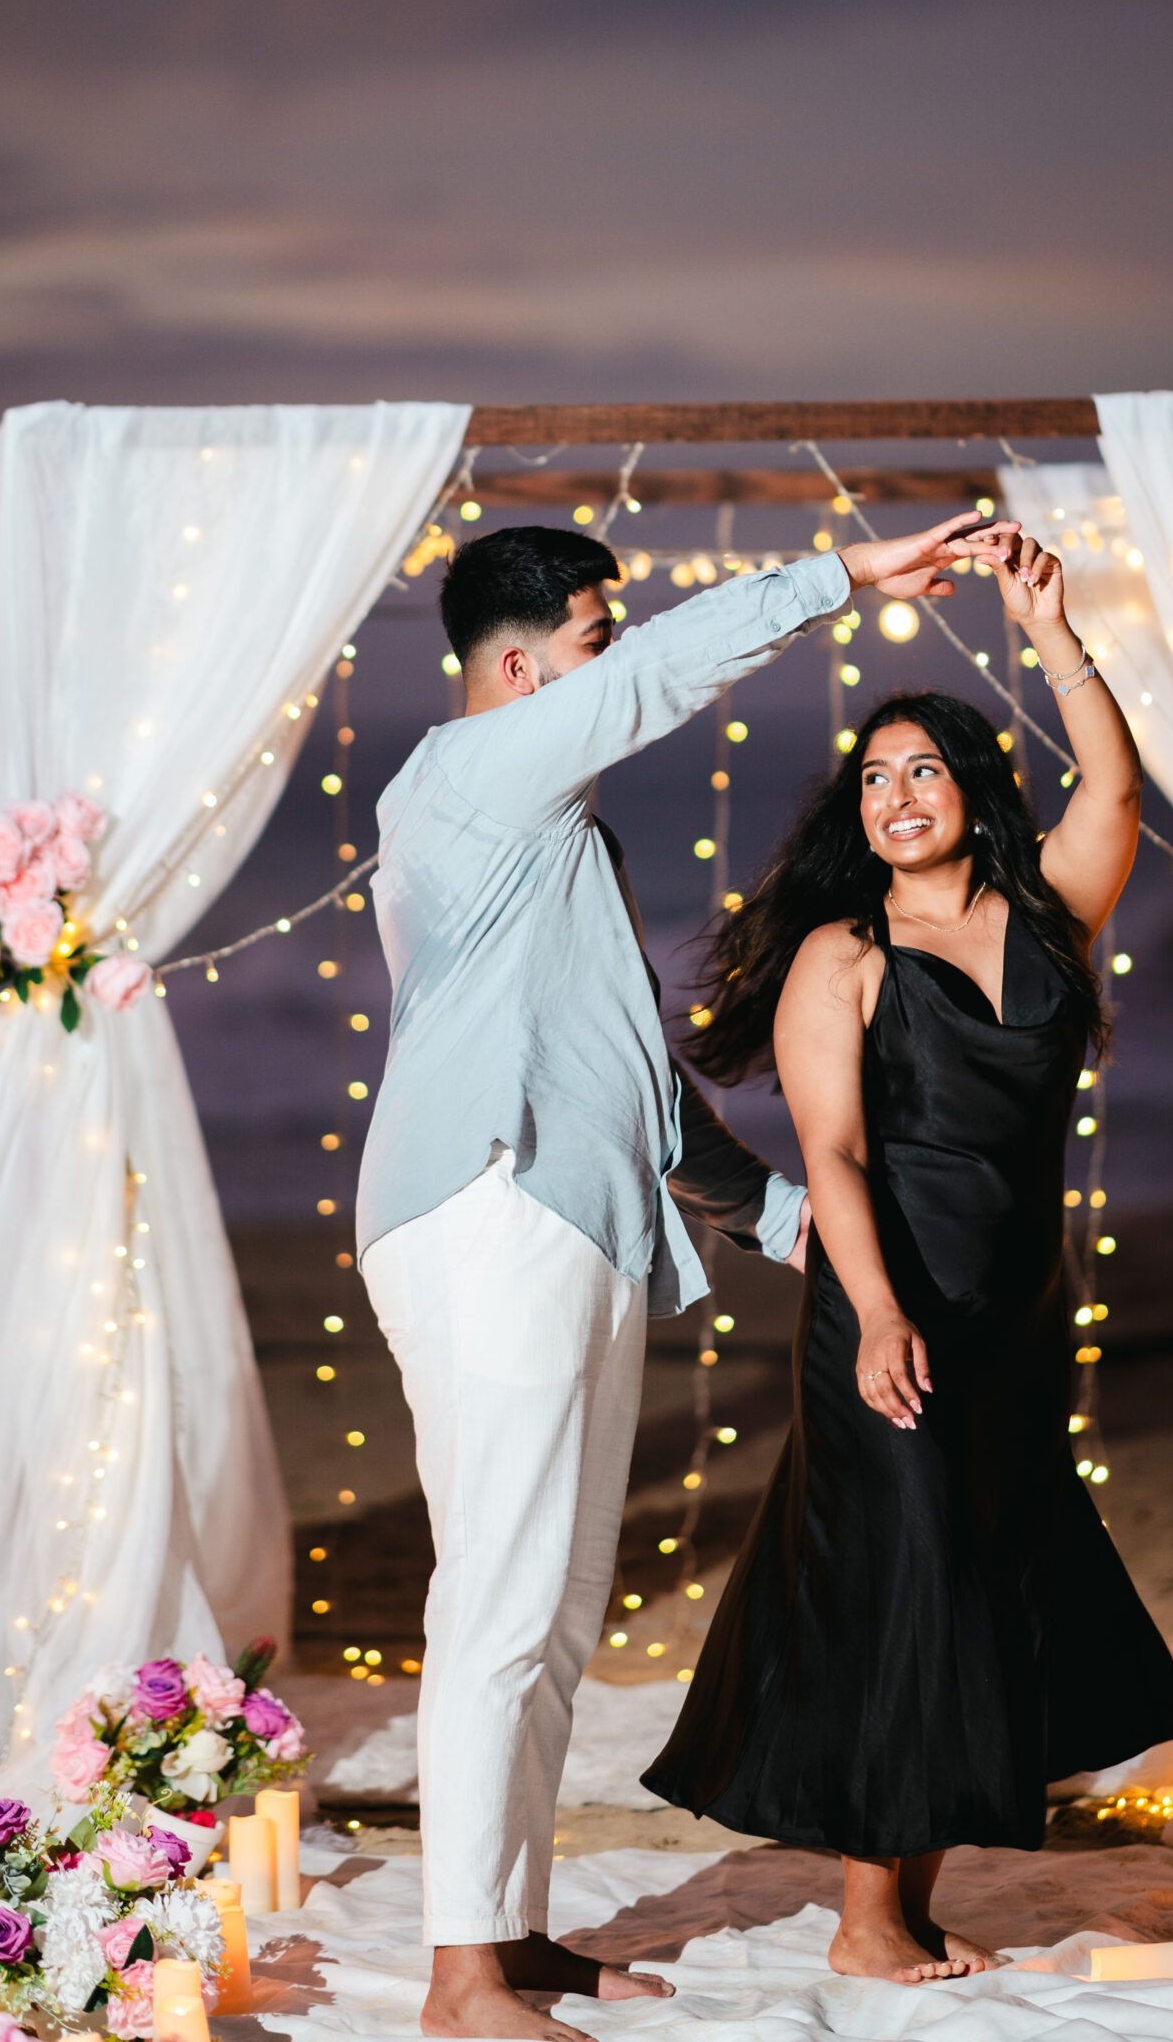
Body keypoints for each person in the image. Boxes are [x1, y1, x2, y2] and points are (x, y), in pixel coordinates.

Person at [356, 510, 997, 2042]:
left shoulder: (552, 832)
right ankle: (459, 1982)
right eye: (588, 640)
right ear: (519, 667)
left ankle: (506, 1937)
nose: (607, 668)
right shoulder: (468, 774)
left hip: (567, 1214)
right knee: (497, 1603)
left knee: (559, 1610)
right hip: (485, 1213)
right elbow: (660, 679)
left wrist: (778, 1221)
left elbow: (620, 1081)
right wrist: (843, 576)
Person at [643, 521, 1173, 1984]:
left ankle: (904, 1893)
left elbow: (1121, 786)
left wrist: (1054, 636)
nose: (895, 796)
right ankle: (867, 1917)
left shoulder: (1054, 917)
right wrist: (875, 1312)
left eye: (923, 769)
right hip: (882, 1300)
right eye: (874, 778)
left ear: (974, 790)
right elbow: (831, 1156)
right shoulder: (845, 952)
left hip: (1010, 1305)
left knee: (981, 1572)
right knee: (907, 1580)